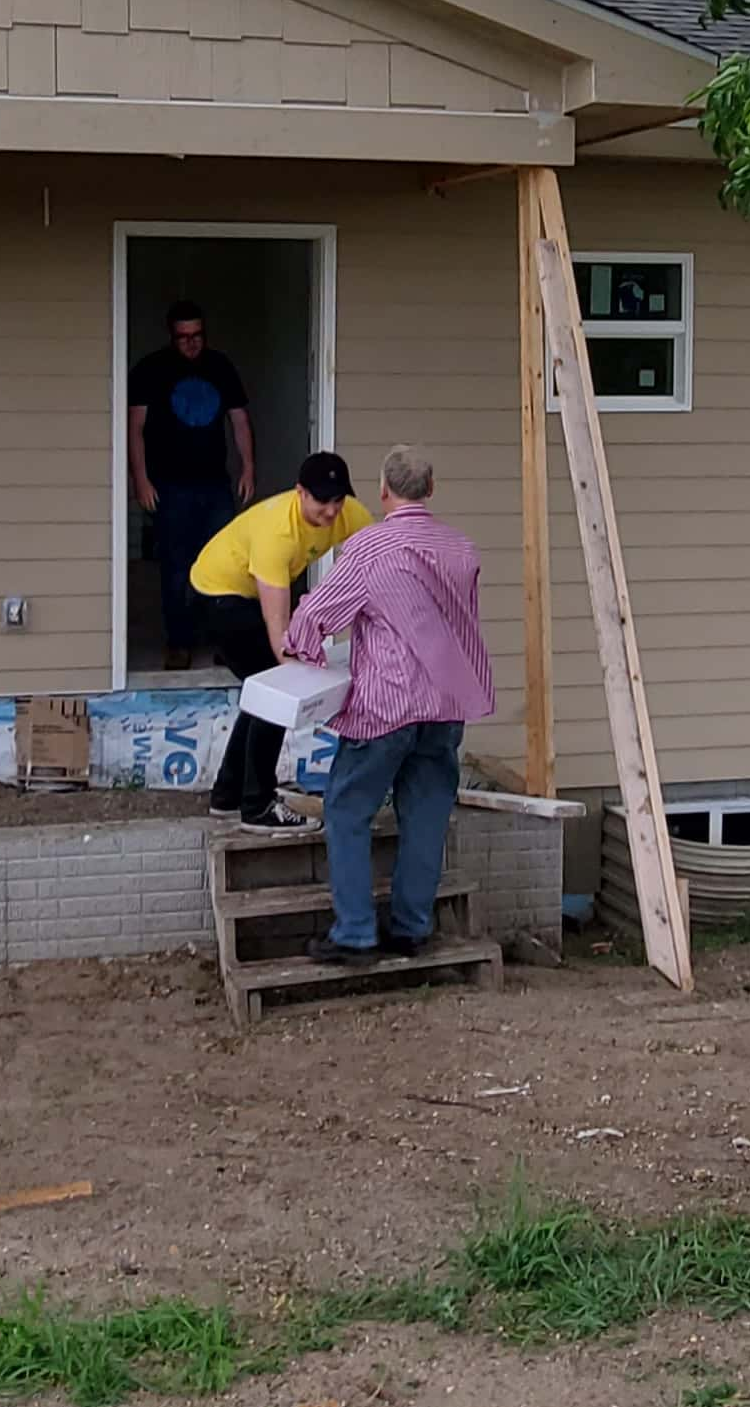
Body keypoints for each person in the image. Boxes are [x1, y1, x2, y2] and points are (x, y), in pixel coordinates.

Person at [279, 444, 491, 960]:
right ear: (431, 490)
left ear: (383, 491)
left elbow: (316, 615)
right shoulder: (461, 550)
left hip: (386, 706)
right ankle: (411, 929)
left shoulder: (371, 550)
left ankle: (354, 933)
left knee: (348, 808)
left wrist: (302, 657)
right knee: (426, 813)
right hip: (446, 704)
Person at [185, 453, 372, 817]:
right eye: (322, 501)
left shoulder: (350, 513)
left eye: (337, 500)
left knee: (262, 693)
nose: (332, 511)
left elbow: (375, 565)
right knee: (275, 689)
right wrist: (299, 674)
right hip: (214, 595)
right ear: (300, 492)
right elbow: (279, 636)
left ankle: (228, 794)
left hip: (247, 596)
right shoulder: (278, 533)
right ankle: (256, 805)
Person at [125, 301, 256, 664]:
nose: (191, 343)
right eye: (183, 337)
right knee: (175, 567)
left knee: (225, 565)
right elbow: (134, 428)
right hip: (169, 486)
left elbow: (240, 420)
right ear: (172, 336)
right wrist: (140, 479)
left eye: (197, 335)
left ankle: (225, 644)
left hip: (215, 483)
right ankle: (178, 642)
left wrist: (248, 468)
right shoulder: (151, 369)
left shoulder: (220, 366)